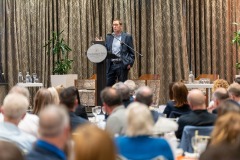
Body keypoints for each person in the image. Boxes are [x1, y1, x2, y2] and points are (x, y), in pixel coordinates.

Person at [105, 19, 135, 86]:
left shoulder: (127, 37)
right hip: (111, 64)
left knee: (122, 86)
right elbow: (106, 50)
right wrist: (100, 43)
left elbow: (131, 52)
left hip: (122, 64)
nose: (114, 26)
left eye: (116, 25)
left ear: (121, 26)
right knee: (107, 85)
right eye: (113, 25)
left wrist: (130, 63)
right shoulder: (109, 37)